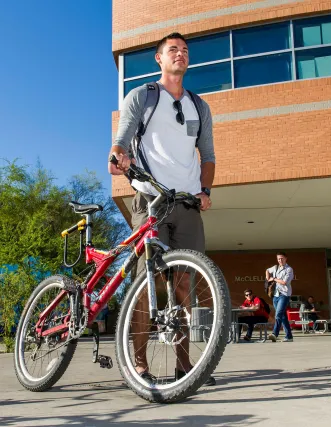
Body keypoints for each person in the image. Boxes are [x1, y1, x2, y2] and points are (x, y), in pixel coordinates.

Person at [108, 32, 216, 385]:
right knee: (146, 282)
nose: (180, 55)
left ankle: (184, 366)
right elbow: (123, 137)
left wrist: (205, 190)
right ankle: (137, 364)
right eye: (173, 50)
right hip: (151, 201)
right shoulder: (143, 96)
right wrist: (118, 156)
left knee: (185, 285)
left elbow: (208, 156)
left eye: (185, 50)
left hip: (186, 204)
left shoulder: (199, 106)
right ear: (159, 58)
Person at [266, 252, 294, 342]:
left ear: (286, 258)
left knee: (278, 314)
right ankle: (289, 336)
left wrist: (273, 279)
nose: (280, 260)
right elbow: (267, 270)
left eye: (282, 258)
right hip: (275, 295)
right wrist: (268, 279)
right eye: (278, 259)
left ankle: (275, 333)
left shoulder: (289, 269)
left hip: (284, 295)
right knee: (283, 316)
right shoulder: (275, 267)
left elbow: (284, 282)